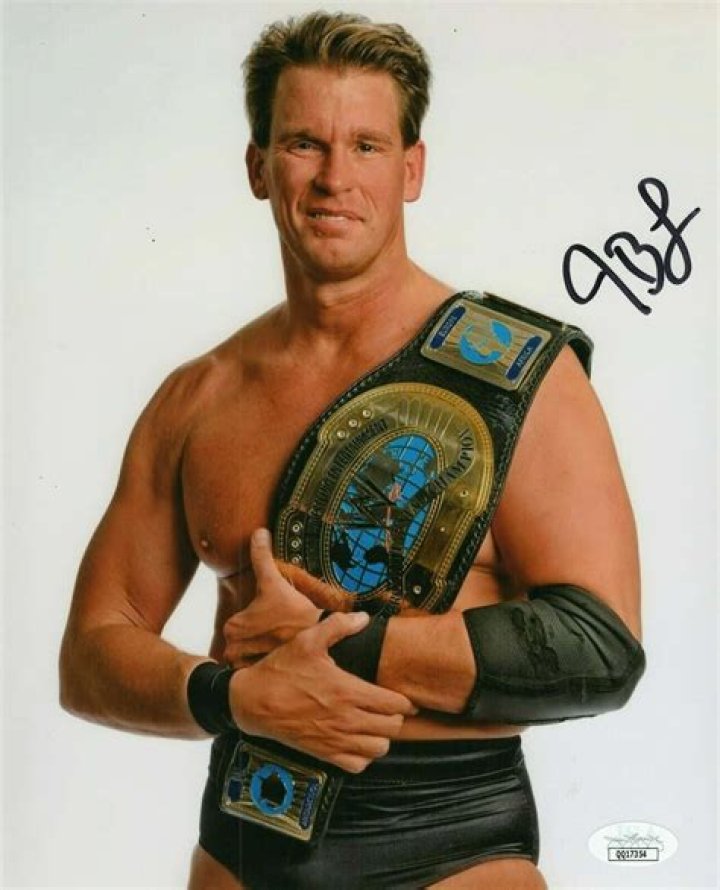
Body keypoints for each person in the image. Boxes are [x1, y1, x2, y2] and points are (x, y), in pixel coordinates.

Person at [59, 11, 645, 889]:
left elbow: (600, 646)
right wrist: (233, 695)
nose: (335, 178)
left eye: (367, 146)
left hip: (452, 844)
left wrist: (346, 646)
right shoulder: (197, 397)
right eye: (305, 143)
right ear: (259, 166)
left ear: (412, 169)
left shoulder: (526, 377)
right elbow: (91, 652)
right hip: (240, 849)